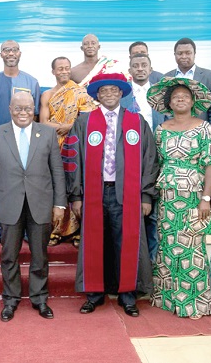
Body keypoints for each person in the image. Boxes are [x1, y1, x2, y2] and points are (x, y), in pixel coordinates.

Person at [65, 73, 157, 317]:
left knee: (126, 242)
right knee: (96, 243)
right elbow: (73, 160)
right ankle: (94, 294)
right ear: (97, 95)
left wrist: (146, 195)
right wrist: (76, 195)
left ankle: (128, 295)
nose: (108, 94)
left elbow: (150, 160)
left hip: (128, 194)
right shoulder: (84, 122)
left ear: (121, 93)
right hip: (94, 193)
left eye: (113, 90)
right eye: (103, 91)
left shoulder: (136, 122)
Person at [0, 91, 66, 322]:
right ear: (10, 109)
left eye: (28, 108)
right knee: (9, 255)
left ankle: (39, 298)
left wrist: (60, 203)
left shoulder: (47, 133)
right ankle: (10, 299)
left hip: (41, 203)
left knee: (40, 255)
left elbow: (57, 171)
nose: (23, 113)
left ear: (35, 110)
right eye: (18, 108)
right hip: (8, 204)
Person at [146, 77, 211, 319]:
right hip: (166, 195)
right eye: (176, 96)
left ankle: (194, 302)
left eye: (185, 96)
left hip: (193, 195)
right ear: (168, 102)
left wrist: (206, 198)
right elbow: (155, 163)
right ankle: (168, 299)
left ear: (193, 101)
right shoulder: (161, 130)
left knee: (192, 246)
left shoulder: (204, 128)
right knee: (167, 246)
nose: (180, 99)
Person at [0, 40, 41, 247]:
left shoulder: (32, 82)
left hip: (25, 143)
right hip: (0, 143)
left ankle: (24, 228)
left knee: (24, 183)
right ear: (1, 54)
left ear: (20, 53)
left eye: (14, 49)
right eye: (7, 50)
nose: (11, 53)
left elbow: (37, 115)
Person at [39, 56, 96, 247]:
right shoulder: (47, 95)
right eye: (60, 68)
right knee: (57, 185)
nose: (64, 71)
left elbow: (88, 119)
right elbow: (44, 122)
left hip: (76, 144)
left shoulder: (80, 92)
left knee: (76, 184)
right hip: (54, 145)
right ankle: (57, 229)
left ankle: (78, 230)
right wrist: (62, 126)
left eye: (67, 68)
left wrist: (69, 126)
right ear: (53, 71)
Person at [122, 53, 168, 262]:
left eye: (144, 65)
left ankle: (151, 267)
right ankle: (131, 266)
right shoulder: (122, 97)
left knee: (154, 216)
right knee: (129, 216)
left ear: (151, 69)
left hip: (158, 158)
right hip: (128, 161)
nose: (140, 69)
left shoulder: (162, 96)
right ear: (129, 70)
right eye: (135, 66)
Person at [164, 38, 211, 132]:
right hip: (173, 134)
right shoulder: (166, 78)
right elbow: (164, 109)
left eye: (188, 53)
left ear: (194, 54)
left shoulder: (210, 77)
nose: (184, 56)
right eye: (180, 53)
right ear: (174, 55)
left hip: (201, 134)